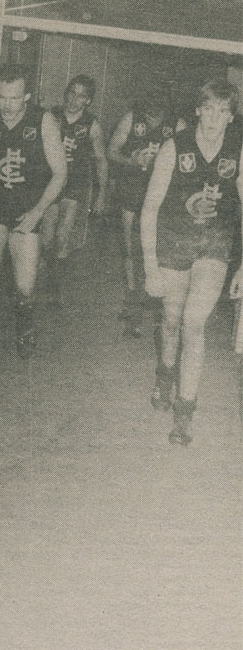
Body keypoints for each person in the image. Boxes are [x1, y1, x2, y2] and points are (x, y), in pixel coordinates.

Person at [141, 79, 242, 445]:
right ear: (198, 109)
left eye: (223, 111)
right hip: (173, 243)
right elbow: (149, 209)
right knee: (170, 321)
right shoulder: (174, 147)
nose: (215, 118)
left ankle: (185, 412)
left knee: (193, 323)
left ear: (231, 117)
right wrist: (150, 266)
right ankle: (165, 375)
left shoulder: (238, 150)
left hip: (213, 246)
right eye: (209, 108)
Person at [0, 63, 66, 365]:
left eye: (15, 98)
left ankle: (25, 325)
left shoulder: (43, 122)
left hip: (26, 213)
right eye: (2, 97)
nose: (7, 105)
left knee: (24, 287)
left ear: (27, 96)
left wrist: (38, 212)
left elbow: (60, 174)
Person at [108, 89, 186, 337]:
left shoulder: (178, 125)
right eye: (150, 101)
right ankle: (133, 299)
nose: (154, 107)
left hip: (163, 196)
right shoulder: (131, 119)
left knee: (157, 249)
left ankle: (153, 300)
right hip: (133, 189)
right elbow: (111, 151)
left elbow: (188, 161)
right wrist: (131, 161)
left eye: (160, 102)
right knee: (132, 248)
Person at [40, 75, 108, 307]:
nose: (73, 99)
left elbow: (100, 160)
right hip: (51, 182)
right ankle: (47, 276)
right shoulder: (51, 116)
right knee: (47, 237)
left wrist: (101, 194)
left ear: (87, 101)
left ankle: (54, 288)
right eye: (71, 93)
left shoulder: (92, 125)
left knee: (62, 238)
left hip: (75, 185)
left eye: (80, 96)